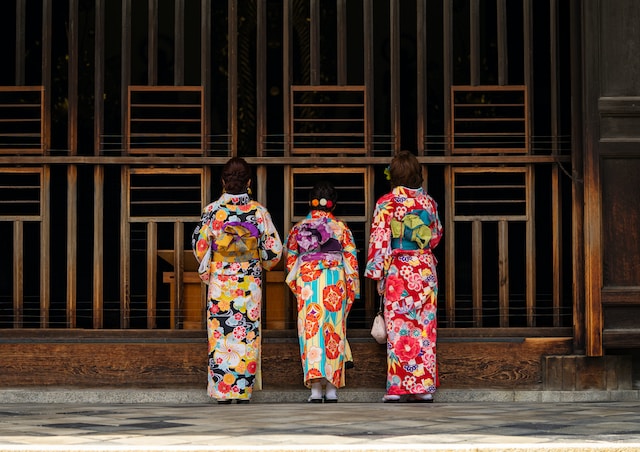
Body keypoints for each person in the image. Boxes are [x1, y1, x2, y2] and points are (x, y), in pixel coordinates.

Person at [192, 157, 283, 404]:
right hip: (248, 282)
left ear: (223, 181)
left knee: (221, 334)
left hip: (221, 281)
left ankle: (222, 391)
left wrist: (211, 264)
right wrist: (260, 260)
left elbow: (200, 247)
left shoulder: (212, 211)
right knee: (246, 334)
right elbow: (273, 251)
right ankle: (242, 390)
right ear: (249, 182)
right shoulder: (258, 212)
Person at [364, 150, 443, 403]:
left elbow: (379, 240)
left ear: (394, 175)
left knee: (399, 328)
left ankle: (398, 387)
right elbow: (436, 236)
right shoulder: (429, 203)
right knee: (424, 328)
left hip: (399, 269)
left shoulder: (386, 203)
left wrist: (378, 275)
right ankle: (423, 387)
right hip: (424, 269)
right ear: (417, 173)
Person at [284, 181, 360, 403]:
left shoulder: (299, 228)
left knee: (311, 331)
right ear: (333, 205)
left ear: (311, 202)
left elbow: (290, 261)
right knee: (333, 330)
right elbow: (351, 261)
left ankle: (315, 389)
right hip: (334, 281)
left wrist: (298, 285)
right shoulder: (341, 228)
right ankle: (332, 388)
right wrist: (350, 288)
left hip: (308, 281)